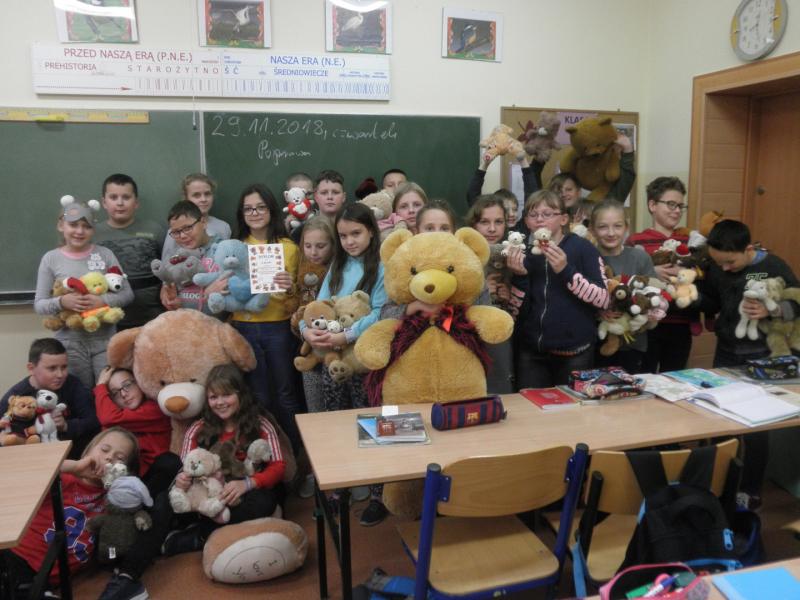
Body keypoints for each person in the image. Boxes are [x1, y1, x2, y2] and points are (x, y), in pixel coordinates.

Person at [96, 364, 285, 600]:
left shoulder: (260, 424)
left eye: (227, 395)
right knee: (165, 489)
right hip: (199, 500)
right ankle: (127, 576)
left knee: (267, 499)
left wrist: (247, 483)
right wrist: (182, 482)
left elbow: (279, 466)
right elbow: (185, 465)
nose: (220, 402)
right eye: (213, 397)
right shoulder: (198, 427)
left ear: (241, 394)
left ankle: (195, 537)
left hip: (237, 498)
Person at [698, 218, 800, 510]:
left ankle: (751, 488)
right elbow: (711, 302)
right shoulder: (717, 266)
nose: (724, 268)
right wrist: (689, 295)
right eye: (719, 263)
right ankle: (718, 485)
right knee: (718, 421)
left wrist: (773, 310)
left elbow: (797, 301)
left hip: (762, 357)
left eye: (730, 262)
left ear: (749, 249)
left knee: (756, 428)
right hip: (726, 351)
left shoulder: (774, 265)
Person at [299, 203, 388, 526]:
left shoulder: (381, 266)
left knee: (370, 425)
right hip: (332, 359)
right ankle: (339, 491)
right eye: (343, 236)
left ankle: (378, 494)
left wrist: (346, 335)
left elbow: (380, 312)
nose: (350, 241)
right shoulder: (338, 265)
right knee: (335, 422)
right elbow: (319, 305)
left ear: (371, 232)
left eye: (356, 233)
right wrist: (307, 329)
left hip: (364, 361)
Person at [1, 427, 139, 598]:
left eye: (120, 458)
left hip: (45, 579)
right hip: (16, 558)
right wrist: (74, 466)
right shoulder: (63, 478)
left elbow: (119, 539)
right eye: (104, 449)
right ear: (88, 451)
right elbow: (26, 470)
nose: (109, 457)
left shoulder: (115, 501)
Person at [229, 184, 303, 454]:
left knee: (285, 393)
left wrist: (290, 287)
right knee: (256, 395)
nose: (255, 213)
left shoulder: (289, 247)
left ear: (271, 210)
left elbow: (299, 295)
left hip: (278, 327)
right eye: (248, 209)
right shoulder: (235, 247)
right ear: (241, 213)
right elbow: (223, 284)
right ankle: (264, 454)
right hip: (243, 326)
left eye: (260, 207)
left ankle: (296, 454)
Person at [508, 190, 608, 388]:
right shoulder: (526, 254)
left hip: (575, 353)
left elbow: (603, 300)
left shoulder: (583, 249)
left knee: (571, 406)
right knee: (529, 404)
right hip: (532, 353)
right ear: (526, 222)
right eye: (533, 214)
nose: (539, 219)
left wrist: (566, 271)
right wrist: (519, 277)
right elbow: (515, 311)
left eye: (547, 214)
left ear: (563, 219)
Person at [34, 198, 134, 388]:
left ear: (93, 229)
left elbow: (127, 294)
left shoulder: (105, 254)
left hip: (105, 340)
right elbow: (39, 304)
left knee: (107, 391)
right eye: (73, 225)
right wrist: (62, 302)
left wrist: (102, 300)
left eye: (86, 226)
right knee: (79, 393)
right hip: (70, 343)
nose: (80, 231)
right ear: (61, 225)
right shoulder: (51, 259)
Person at [627, 177, 694, 372]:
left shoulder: (689, 241)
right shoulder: (636, 241)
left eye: (680, 206)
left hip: (680, 323)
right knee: (644, 376)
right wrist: (651, 272)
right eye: (671, 204)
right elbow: (626, 279)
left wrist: (687, 274)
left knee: (676, 377)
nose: (677, 210)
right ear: (652, 205)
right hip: (647, 324)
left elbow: (700, 275)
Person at [0, 338, 99, 458]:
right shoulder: (16, 398)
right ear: (31, 368)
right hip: (32, 459)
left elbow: (93, 422)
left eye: (64, 367)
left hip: (73, 457)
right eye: (52, 368)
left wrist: (66, 426)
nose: (60, 374)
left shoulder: (73, 385)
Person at [589, 199, 657, 373]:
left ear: (626, 227)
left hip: (634, 344)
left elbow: (654, 295)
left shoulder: (640, 258)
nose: (611, 233)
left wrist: (644, 311)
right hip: (597, 344)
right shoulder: (587, 258)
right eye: (603, 227)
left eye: (617, 226)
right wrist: (598, 312)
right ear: (592, 230)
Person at [94, 173, 166, 330]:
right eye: (113, 197)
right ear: (104, 202)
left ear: (136, 202)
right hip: (108, 320)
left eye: (126, 197)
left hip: (153, 317)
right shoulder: (93, 234)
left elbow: (168, 270)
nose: (120, 203)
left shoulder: (154, 230)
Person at [94, 366, 178, 498]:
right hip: (131, 476)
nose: (123, 394)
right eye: (115, 393)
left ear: (139, 383)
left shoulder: (155, 408)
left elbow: (108, 418)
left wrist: (100, 386)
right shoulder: (113, 423)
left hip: (159, 474)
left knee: (169, 462)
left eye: (127, 385)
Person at [464, 196, 515, 393]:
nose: (492, 229)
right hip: (468, 339)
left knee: (500, 389)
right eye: (485, 222)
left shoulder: (511, 255)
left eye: (498, 222)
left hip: (501, 341)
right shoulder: (462, 256)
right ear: (473, 225)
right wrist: (481, 290)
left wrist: (510, 296)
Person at [159, 200, 222, 315]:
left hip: (217, 324)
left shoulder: (223, 250)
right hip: (187, 322)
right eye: (176, 232)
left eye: (187, 228)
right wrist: (173, 301)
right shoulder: (176, 258)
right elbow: (176, 300)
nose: (182, 236)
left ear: (203, 222)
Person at [161, 173, 231, 261]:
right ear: (186, 198)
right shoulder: (175, 232)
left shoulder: (223, 227)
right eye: (196, 195)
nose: (203, 199)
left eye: (207, 194)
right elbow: (166, 263)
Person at [290, 169, 347, 244]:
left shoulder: (351, 226)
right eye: (324, 193)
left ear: (343, 197)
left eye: (335, 192)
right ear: (316, 197)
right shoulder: (301, 232)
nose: (330, 197)